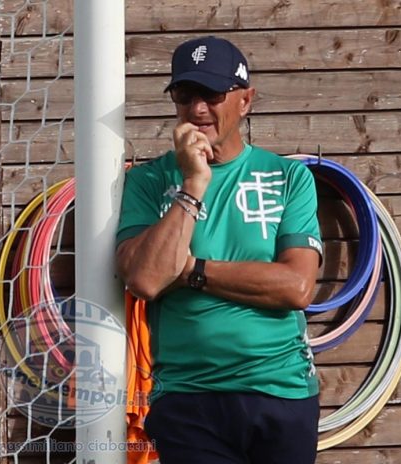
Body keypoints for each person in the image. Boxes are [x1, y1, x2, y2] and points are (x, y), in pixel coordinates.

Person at [116, 36, 324, 464]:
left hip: (281, 390)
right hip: (188, 398)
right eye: (185, 94)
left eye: (212, 94)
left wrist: (192, 270)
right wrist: (193, 184)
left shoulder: (288, 178)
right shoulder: (147, 181)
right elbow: (146, 279)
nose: (197, 109)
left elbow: (296, 287)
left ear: (245, 100)